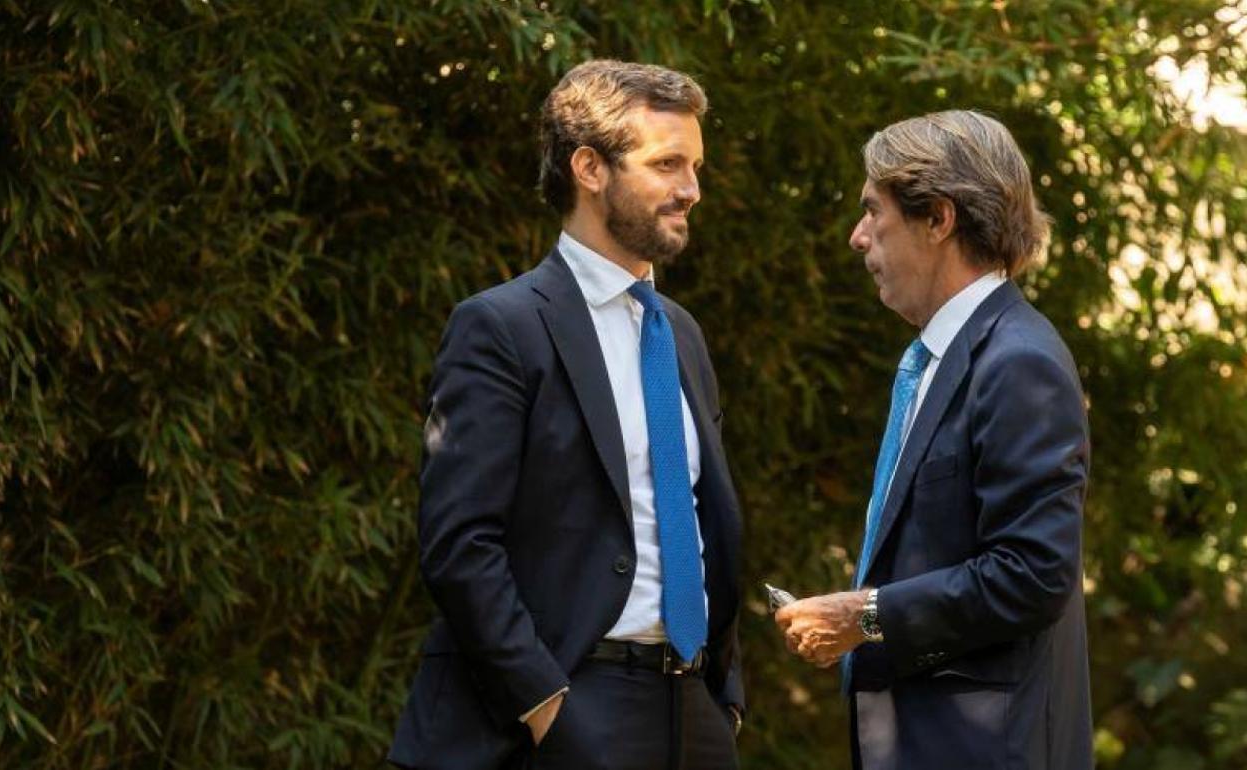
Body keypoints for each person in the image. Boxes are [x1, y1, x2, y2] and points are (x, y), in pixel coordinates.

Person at [387, 59, 744, 770]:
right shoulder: (501, 327)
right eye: (667, 164)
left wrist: (724, 696)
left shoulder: (682, 334)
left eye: (695, 167)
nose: (691, 190)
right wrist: (544, 704)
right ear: (589, 168)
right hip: (562, 703)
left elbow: (702, 519)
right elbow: (460, 542)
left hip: (691, 706)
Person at [775, 110, 1093, 770]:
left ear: (939, 218)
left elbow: (1033, 574)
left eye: (873, 211)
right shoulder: (941, 359)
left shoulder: (1018, 361)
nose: (858, 237)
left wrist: (864, 615)